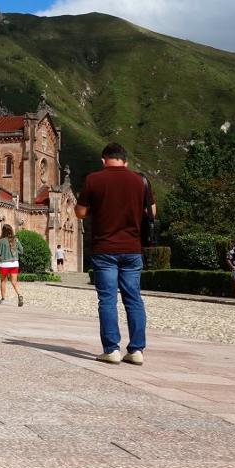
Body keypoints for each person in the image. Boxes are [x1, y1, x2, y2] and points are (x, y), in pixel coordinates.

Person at [74, 142, 153, 366]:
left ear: (103, 160)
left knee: (107, 299)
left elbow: (80, 213)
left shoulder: (94, 179)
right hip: (132, 248)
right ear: (125, 161)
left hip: (105, 249)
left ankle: (112, 349)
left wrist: (98, 208)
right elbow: (152, 211)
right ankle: (137, 350)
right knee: (134, 299)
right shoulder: (140, 180)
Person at [0, 224, 24, 307]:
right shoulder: (16, 239)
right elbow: (21, 251)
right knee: (14, 282)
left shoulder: (1, 241)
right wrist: (15, 253)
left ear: (3, 231)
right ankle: (19, 294)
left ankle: (3, 299)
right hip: (14, 263)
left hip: (4, 264)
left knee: (3, 281)